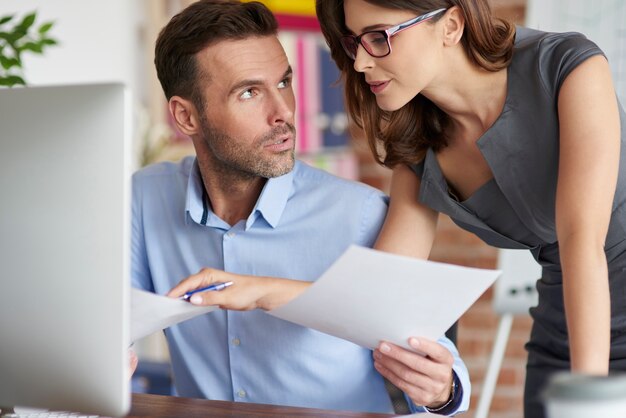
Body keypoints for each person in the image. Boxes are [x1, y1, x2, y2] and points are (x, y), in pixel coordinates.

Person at [132, 0, 470, 415]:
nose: (284, 112)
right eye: (250, 92)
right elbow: (110, 320)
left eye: (284, 82)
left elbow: (437, 361)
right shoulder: (145, 199)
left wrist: (441, 389)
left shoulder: (360, 215)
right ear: (186, 117)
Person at [314, 1, 626, 417]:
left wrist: (588, 396)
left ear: (451, 25)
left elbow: (582, 244)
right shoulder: (418, 146)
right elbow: (383, 287)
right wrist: (258, 293)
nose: (359, 63)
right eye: (354, 43)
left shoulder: (565, 67)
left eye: (379, 37)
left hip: (589, 323)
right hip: (568, 323)